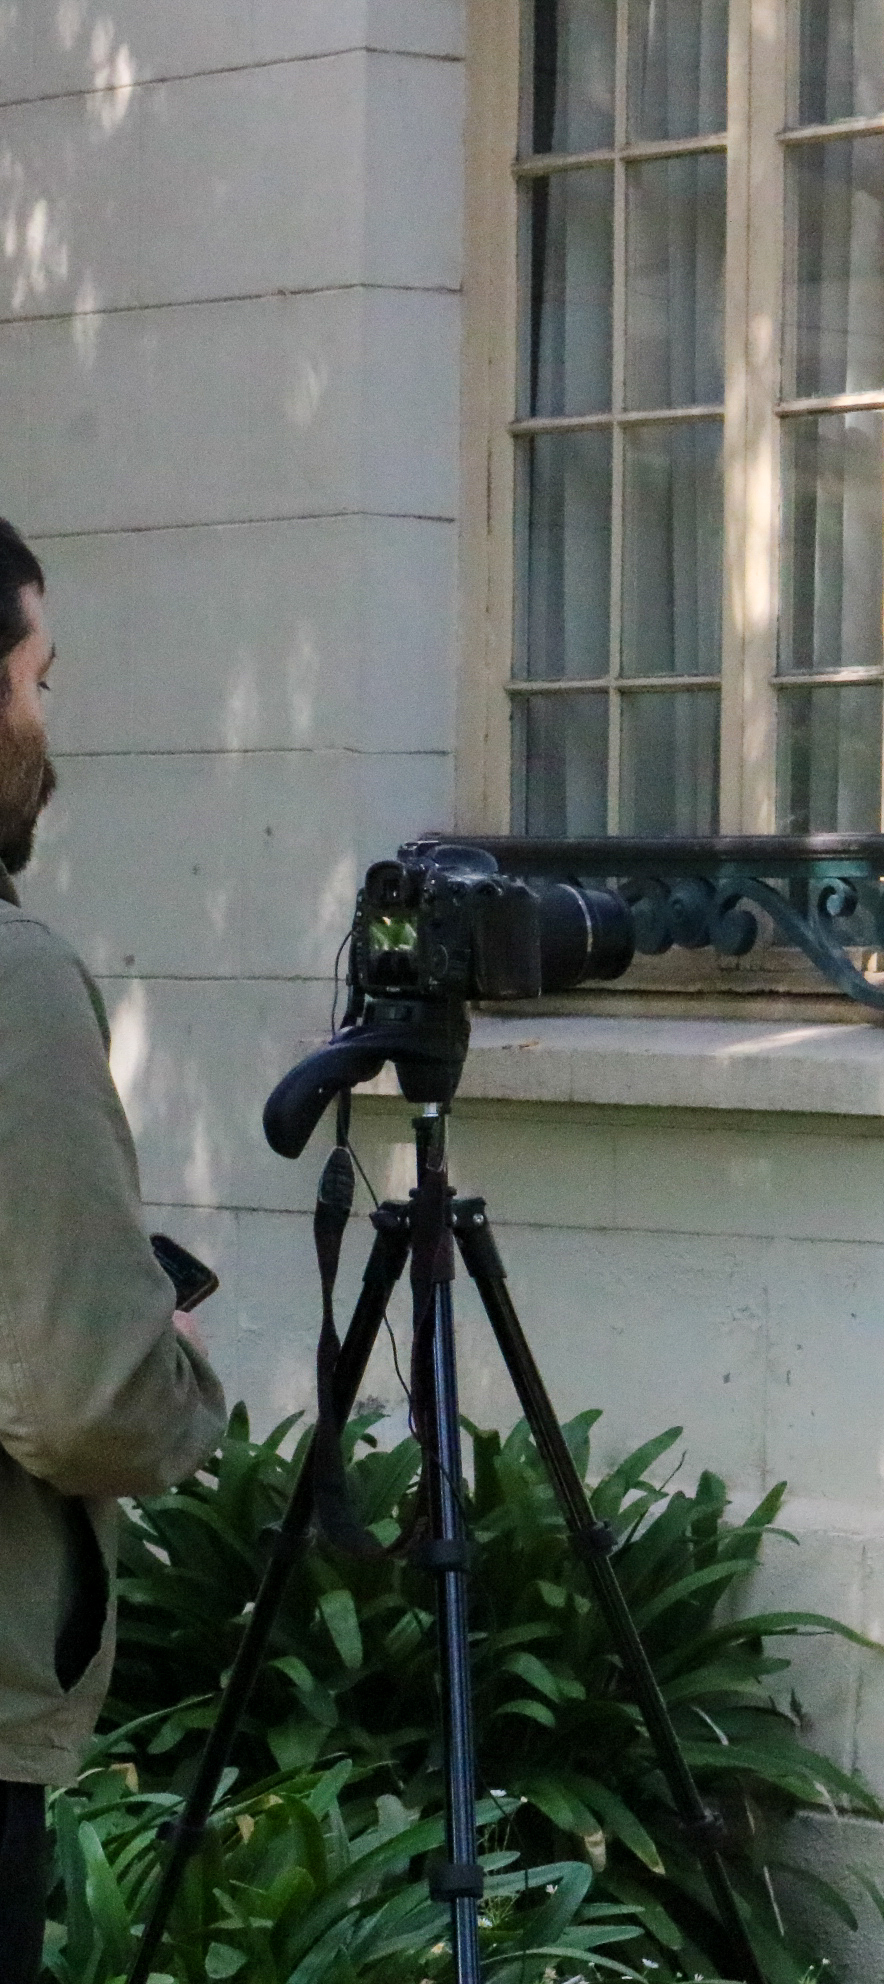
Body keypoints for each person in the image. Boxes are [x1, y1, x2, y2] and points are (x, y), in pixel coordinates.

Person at [0, 518, 227, 1984]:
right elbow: (85, 1404)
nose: (43, 727)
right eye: (36, 679)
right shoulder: (12, 979)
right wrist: (176, 1371)